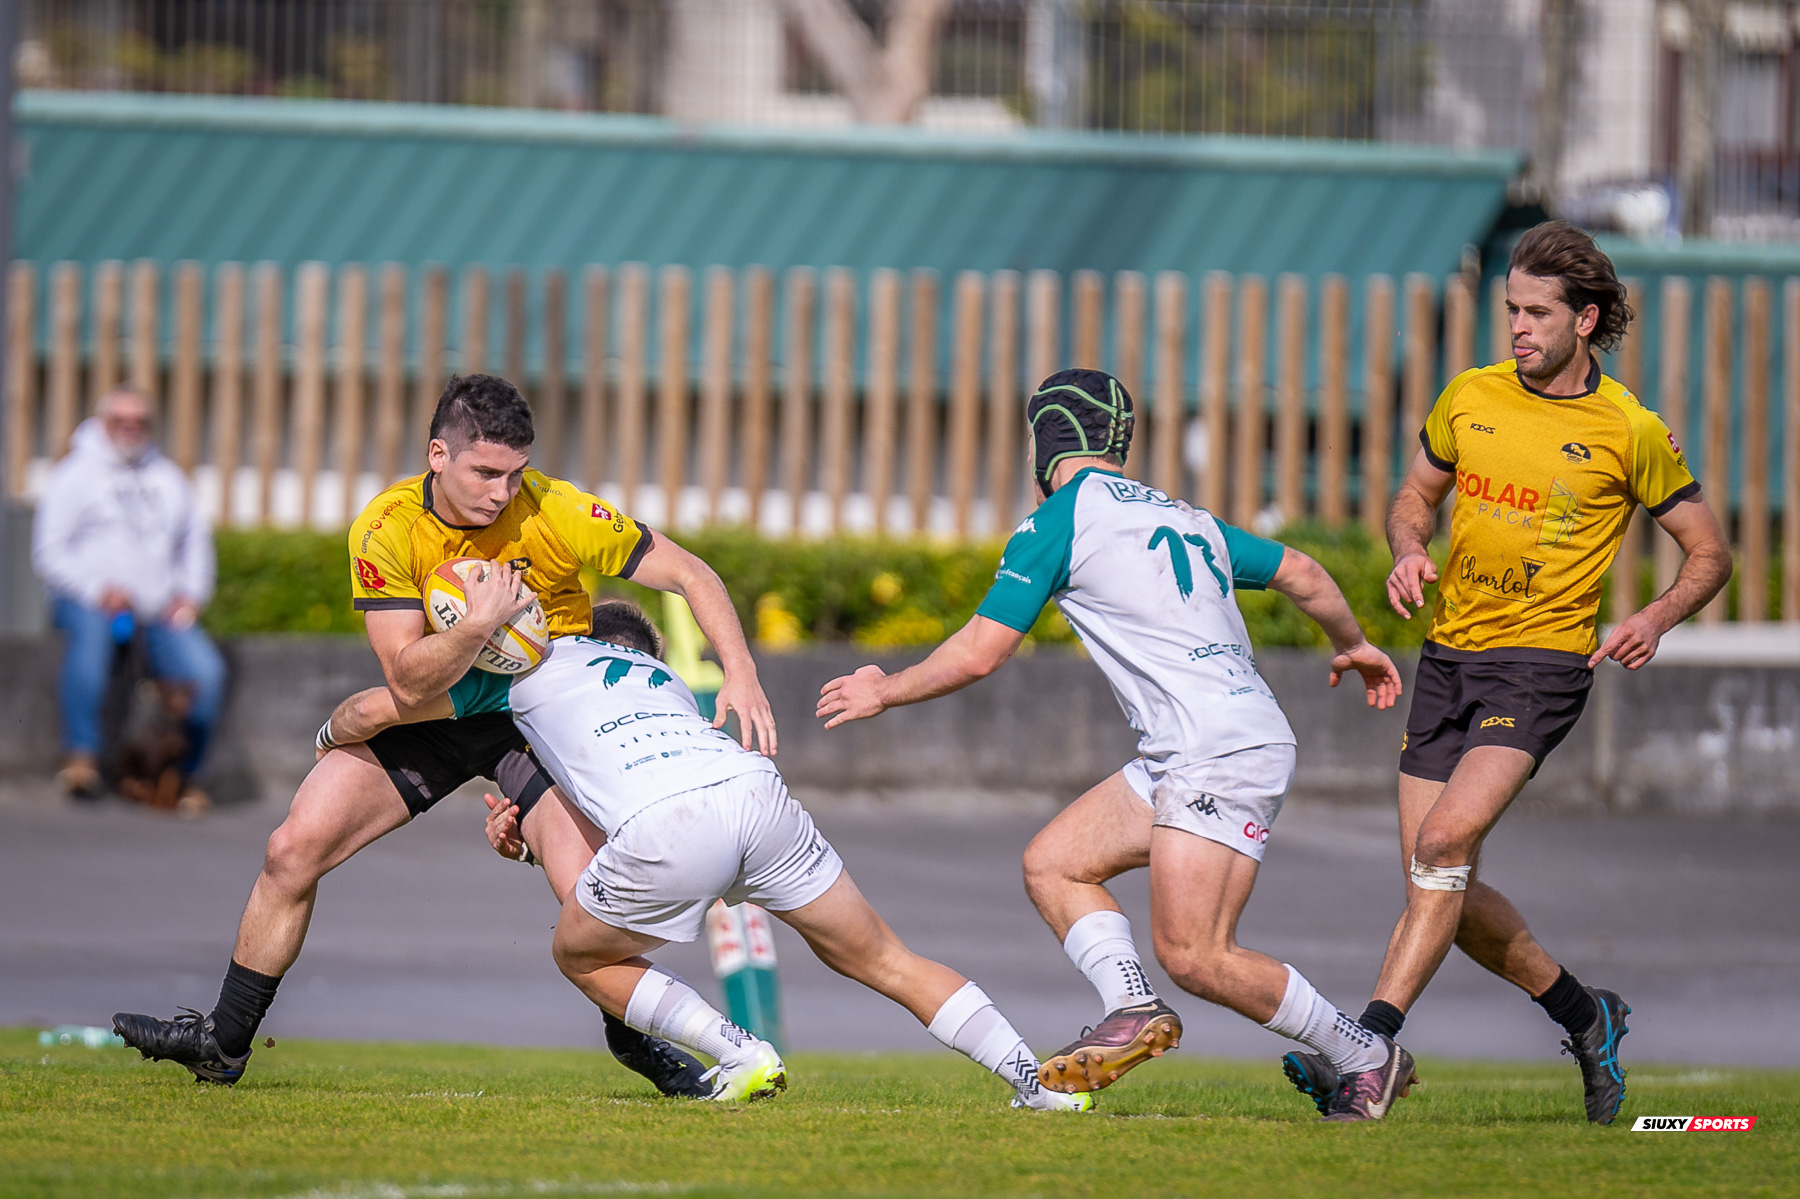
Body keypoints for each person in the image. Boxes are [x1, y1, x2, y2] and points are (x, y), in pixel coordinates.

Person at [113, 374, 775, 1098]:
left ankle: (636, 1041)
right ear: (438, 454)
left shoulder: (555, 507)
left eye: (515, 472)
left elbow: (691, 572)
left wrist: (738, 670)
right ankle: (224, 1041)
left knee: (590, 897)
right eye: (486, 472)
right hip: (440, 708)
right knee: (293, 846)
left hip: (540, 713)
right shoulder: (386, 527)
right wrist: (480, 623)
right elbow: (407, 680)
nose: (502, 491)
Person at [816, 369, 1413, 1122]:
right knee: (1055, 862)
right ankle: (1131, 1004)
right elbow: (1300, 570)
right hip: (1194, 744)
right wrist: (1353, 643)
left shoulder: (1059, 520)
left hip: (1216, 748)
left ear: (1046, 442)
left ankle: (1366, 1053)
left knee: (1197, 953)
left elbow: (979, 652)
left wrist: (884, 688)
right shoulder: (1187, 516)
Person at [1289, 221, 1734, 1125]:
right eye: (1510, 311)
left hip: (1540, 670)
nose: (1519, 328)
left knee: (1444, 847)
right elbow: (1413, 495)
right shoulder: (1470, 395)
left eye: (1537, 313)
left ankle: (1369, 1049)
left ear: (1587, 317)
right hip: (1447, 658)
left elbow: (1710, 553)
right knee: (1434, 880)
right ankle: (1585, 1011)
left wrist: (1651, 616)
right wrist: (1409, 548)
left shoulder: (1630, 428)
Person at [323, 599, 1091, 1111]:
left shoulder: (519, 678)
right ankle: (1037, 1080)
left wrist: (328, 736)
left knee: (581, 955)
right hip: (757, 794)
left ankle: (736, 1049)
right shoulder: (662, 679)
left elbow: (370, 710)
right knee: (888, 957)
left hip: (673, 825)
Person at [32, 387, 225, 811]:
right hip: (91, 602)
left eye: (139, 421)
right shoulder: (74, 475)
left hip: (159, 610)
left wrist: (190, 595)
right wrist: (98, 589)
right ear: (102, 423)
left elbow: (195, 545)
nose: (130, 428)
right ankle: (81, 758)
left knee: (205, 671)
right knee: (90, 647)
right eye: (120, 420)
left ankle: (186, 777)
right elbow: (49, 552)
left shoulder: (168, 477)